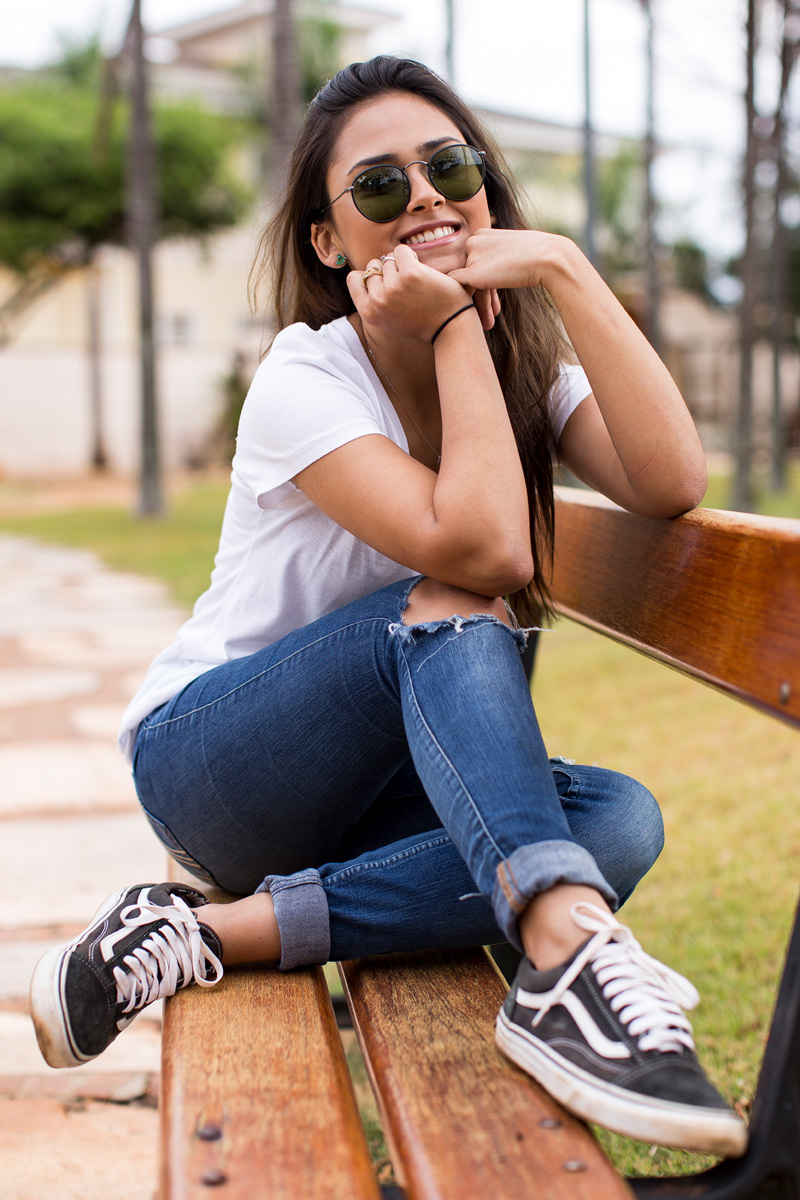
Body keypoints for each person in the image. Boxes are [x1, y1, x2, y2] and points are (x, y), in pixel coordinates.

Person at [30, 56, 745, 1157]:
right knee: (455, 598)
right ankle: (562, 951)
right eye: (377, 187)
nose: (422, 197)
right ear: (329, 240)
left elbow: (667, 481)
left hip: (382, 800)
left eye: (450, 168)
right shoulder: (303, 378)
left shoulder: (524, 373)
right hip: (218, 766)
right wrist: (456, 325)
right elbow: (485, 550)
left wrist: (557, 263)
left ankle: (206, 934)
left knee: (617, 819)